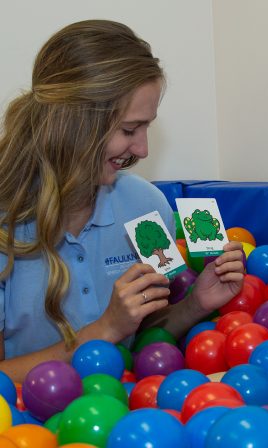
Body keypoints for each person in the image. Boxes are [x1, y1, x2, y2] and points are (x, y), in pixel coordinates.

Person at [0, 20, 244, 382]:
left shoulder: (147, 207)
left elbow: (145, 335)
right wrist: (104, 330)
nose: (143, 149)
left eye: (147, 127)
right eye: (129, 130)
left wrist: (196, 304)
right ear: (72, 122)